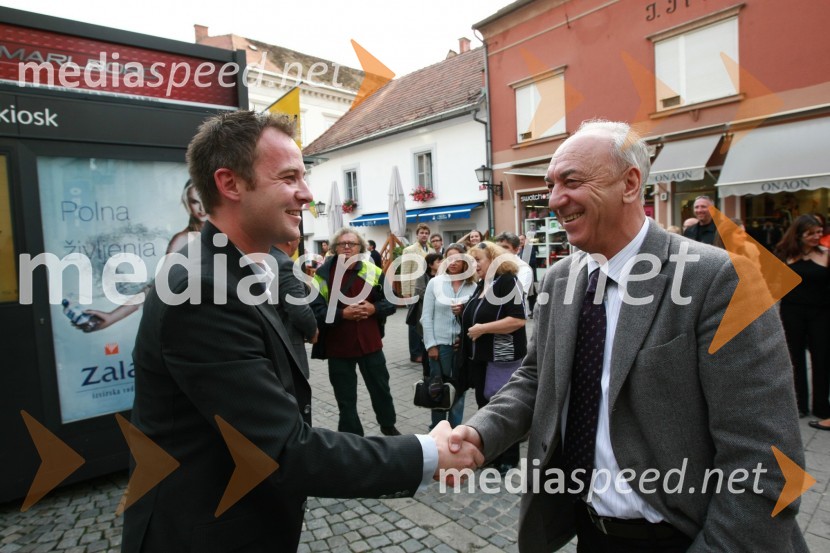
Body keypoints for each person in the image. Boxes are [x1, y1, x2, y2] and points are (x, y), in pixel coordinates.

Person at [122, 111, 482, 553]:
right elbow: (284, 450)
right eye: (289, 177)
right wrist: (428, 452)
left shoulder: (242, 268)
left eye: (305, 177)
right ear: (230, 184)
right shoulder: (204, 288)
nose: (307, 193)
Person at [448, 120, 806, 552]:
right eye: (550, 184)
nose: (555, 199)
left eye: (571, 181)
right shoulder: (560, 279)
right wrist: (480, 433)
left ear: (630, 183)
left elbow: (764, 461)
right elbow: (536, 380)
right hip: (591, 532)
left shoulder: (719, 279)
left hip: (689, 537)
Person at [77, 180, 207, 331]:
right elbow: (157, 287)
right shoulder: (182, 241)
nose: (202, 208)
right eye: (194, 202)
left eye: (205, 200)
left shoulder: (231, 233)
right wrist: (111, 317)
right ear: (187, 204)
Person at [311, 227, 401, 437]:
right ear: (334, 248)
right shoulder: (323, 275)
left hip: (370, 344)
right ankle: (352, 435)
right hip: (338, 346)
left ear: (361, 248)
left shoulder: (373, 271)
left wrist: (374, 309)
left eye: (353, 244)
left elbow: (392, 301)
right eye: (343, 244)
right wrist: (343, 314)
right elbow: (315, 311)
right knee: (345, 396)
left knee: (381, 389)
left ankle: (388, 426)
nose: (348, 247)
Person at [461, 241, 527, 475]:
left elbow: (519, 319)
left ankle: (509, 458)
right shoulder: (481, 285)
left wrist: (483, 328)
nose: (474, 264)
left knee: (503, 407)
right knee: (484, 405)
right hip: (481, 357)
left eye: (477, 259)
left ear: (494, 260)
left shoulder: (507, 282)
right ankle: (492, 454)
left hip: (502, 356)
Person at [775, 214, 830, 419]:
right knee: (794, 358)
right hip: (792, 312)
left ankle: (821, 405)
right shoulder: (784, 254)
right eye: (811, 233)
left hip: (821, 313)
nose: (817, 236)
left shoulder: (826, 254)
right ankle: (798, 404)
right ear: (798, 234)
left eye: (819, 232)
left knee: (822, 358)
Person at [421, 244, 477, 430]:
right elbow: (426, 317)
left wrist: (462, 314)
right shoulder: (435, 283)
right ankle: (437, 431)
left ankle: (454, 431)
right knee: (438, 390)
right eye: (449, 258)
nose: (453, 262)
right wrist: (431, 345)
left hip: (461, 348)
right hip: (440, 346)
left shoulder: (473, 286)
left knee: (459, 391)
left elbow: (474, 318)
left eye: (458, 258)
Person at [273, 238, 318, 379]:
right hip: (287, 343)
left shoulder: (259, 258)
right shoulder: (285, 263)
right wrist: (312, 330)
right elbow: (298, 309)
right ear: (290, 241)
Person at [401, 222, 435, 363]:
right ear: (417, 234)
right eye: (421, 232)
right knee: (414, 322)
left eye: (426, 233)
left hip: (429, 289)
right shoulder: (409, 250)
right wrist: (406, 292)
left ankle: (424, 349)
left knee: (426, 320)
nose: (424, 235)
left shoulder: (432, 251)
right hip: (415, 290)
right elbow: (405, 271)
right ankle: (415, 353)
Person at [495, 231, 534, 315]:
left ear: (516, 250)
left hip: (511, 317)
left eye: (505, 247)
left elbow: (517, 296)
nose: (501, 250)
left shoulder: (523, 269)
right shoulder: (493, 266)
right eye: (498, 247)